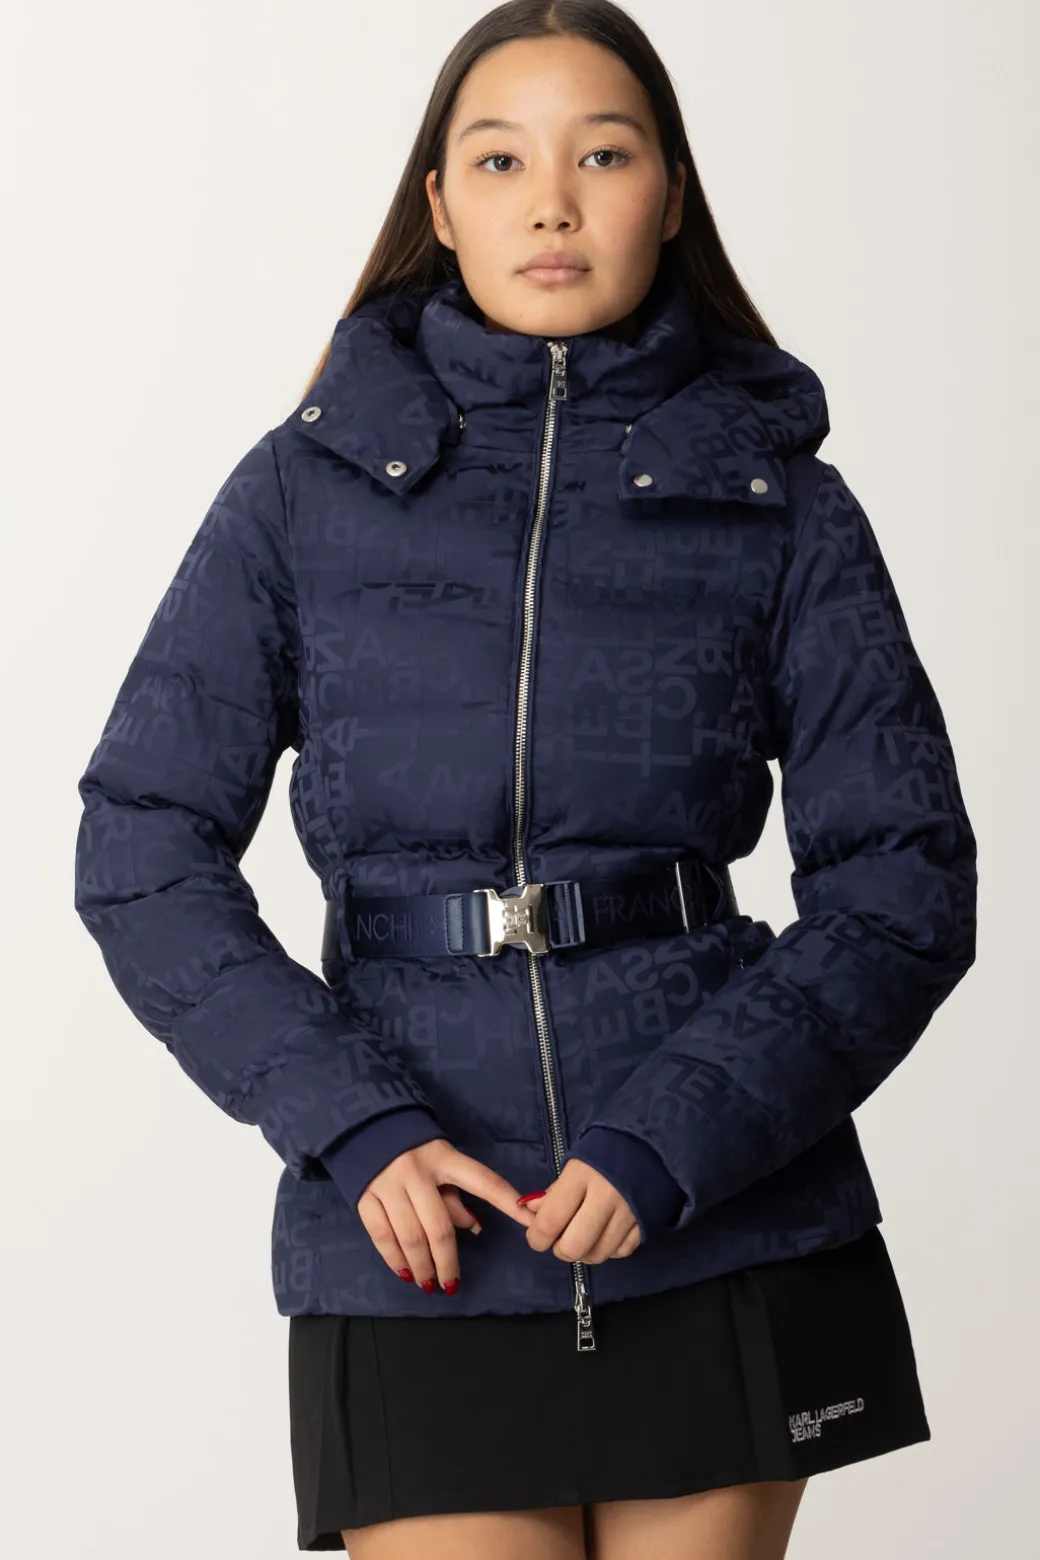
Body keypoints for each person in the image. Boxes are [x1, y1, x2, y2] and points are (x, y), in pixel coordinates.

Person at [72, 1, 978, 1556]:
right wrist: (350, 1122)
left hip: (725, 1214)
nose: (552, 202)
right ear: (439, 203)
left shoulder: (787, 507)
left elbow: (904, 881)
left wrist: (675, 1136)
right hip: (414, 1236)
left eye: (603, 155)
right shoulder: (298, 495)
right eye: (501, 160)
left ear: (670, 194)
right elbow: (142, 844)